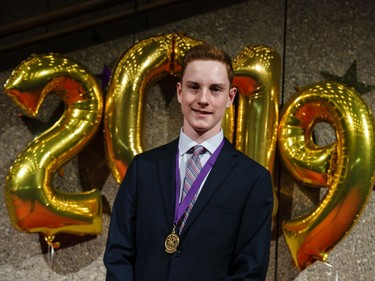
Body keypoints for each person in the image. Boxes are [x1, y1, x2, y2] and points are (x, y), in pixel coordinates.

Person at [103, 44, 274, 281]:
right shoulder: (144, 168)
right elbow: (118, 252)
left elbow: (249, 271)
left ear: (230, 97)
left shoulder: (253, 180)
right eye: (194, 87)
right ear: (180, 92)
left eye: (215, 89)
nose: (203, 99)